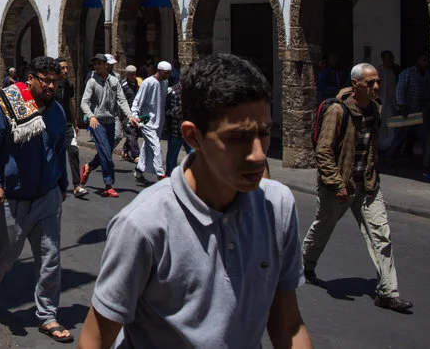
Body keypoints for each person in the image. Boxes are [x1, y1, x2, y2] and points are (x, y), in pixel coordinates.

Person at [78, 53, 312, 349]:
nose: (257, 154)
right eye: (238, 137)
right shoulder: (143, 225)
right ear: (194, 137)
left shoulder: (277, 207)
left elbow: (288, 325)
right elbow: (95, 338)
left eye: (264, 133)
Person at [302, 63, 414, 312]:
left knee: (381, 236)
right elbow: (323, 151)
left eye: (377, 82)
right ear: (355, 85)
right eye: (370, 82)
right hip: (340, 187)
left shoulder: (374, 109)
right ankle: (305, 264)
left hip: (368, 185)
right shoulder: (337, 111)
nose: (376, 86)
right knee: (323, 228)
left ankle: (387, 292)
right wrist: (336, 183)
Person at [0, 56, 72, 343]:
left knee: (50, 258)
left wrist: (62, 183)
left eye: (56, 81)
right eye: (46, 80)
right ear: (30, 78)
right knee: (2, 257)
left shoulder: (56, 111)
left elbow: (59, 149)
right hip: (11, 199)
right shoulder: (7, 106)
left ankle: (47, 315)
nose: (52, 86)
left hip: (46, 197)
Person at [80, 54, 139, 198]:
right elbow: (84, 102)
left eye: (99, 63)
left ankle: (88, 166)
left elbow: (121, 99)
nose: (97, 66)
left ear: (106, 65)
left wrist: (130, 115)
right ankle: (108, 184)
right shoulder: (92, 81)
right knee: (106, 153)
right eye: (95, 64)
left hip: (111, 121)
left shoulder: (114, 80)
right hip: (97, 122)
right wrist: (91, 116)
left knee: (105, 151)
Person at [392, 53, 430, 180]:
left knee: (424, 138)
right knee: (401, 136)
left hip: (420, 112)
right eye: (424, 60)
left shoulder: (427, 75)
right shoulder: (408, 73)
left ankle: (426, 165)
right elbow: (400, 90)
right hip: (406, 110)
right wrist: (402, 106)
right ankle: (391, 157)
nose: (425, 64)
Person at [130, 61, 171, 184]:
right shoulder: (148, 82)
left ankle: (139, 170)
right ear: (159, 70)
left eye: (169, 73)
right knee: (156, 147)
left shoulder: (165, 83)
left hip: (159, 120)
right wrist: (135, 115)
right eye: (165, 73)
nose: (167, 75)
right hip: (146, 120)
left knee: (147, 146)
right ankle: (160, 173)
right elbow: (138, 99)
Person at [56, 57, 88, 199]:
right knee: (57, 155)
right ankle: (57, 184)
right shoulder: (53, 85)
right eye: (63, 68)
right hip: (55, 125)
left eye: (67, 68)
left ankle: (77, 185)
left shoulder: (68, 85)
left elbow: (70, 103)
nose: (66, 70)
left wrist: (75, 122)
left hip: (67, 124)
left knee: (73, 151)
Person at [164, 77, 191, 174]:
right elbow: (167, 110)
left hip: (189, 132)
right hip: (175, 130)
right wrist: (180, 110)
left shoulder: (191, 91)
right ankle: (169, 177)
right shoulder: (173, 92)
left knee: (193, 155)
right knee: (172, 157)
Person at [376, 50, 399, 151]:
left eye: (391, 58)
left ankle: (390, 145)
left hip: (391, 103)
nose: (390, 61)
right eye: (388, 58)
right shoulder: (378, 71)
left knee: (391, 125)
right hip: (380, 102)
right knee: (380, 125)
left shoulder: (395, 71)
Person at [119, 65, 141, 163]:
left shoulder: (139, 83)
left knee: (134, 134)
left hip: (136, 112)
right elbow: (119, 99)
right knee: (131, 133)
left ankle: (125, 150)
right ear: (127, 75)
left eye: (134, 74)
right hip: (127, 113)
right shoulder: (122, 85)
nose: (133, 76)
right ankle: (136, 155)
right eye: (131, 75)